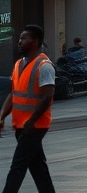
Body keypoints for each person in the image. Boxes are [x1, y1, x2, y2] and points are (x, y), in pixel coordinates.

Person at [0, 25, 57, 193]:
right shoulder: (19, 64)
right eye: (20, 38)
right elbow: (13, 94)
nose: (19, 42)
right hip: (21, 125)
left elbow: (47, 97)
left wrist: (32, 121)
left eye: (24, 38)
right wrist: (2, 115)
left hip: (35, 126)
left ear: (35, 42)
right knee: (38, 167)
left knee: (17, 166)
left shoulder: (44, 66)